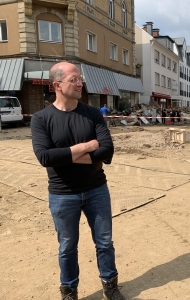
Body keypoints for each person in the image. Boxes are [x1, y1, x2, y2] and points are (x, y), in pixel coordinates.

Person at [30, 62, 126, 300]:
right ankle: (69, 291)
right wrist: (84, 148)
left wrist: (65, 155)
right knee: (67, 247)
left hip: (96, 190)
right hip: (62, 194)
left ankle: (110, 286)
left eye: (80, 78)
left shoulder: (92, 113)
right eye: (73, 79)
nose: (80, 83)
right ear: (57, 85)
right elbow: (45, 157)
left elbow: (107, 151)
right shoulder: (41, 119)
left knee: (105, 242)